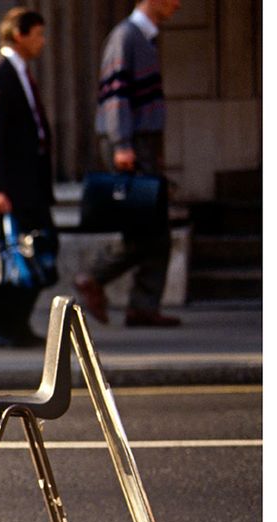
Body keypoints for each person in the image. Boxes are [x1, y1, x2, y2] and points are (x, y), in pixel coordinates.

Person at [73, 0, 182, 327]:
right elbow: (116, 94)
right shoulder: (127, 36)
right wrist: (123, 145)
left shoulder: (144, 37)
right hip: (131, 143)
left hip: (143, 143)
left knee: (154, 228)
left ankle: (142, 306)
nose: (177, 4)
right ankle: (93, 277)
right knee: (148, 230)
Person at [0, 8, 55, 348]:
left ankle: (17, 324)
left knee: (37, 249)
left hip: (30, 183)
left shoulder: (19, 72)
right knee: (5, 256)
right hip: (11, 187)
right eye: (38, 34)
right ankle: (0, 327)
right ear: (19, 35)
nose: (42, 41)